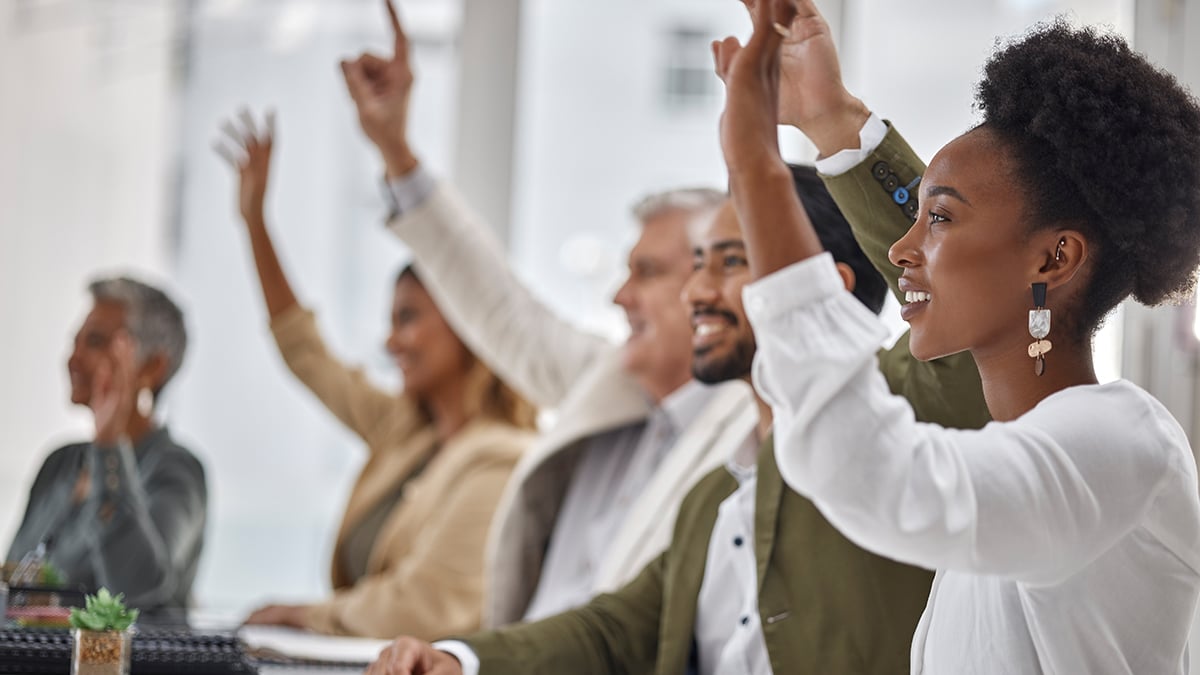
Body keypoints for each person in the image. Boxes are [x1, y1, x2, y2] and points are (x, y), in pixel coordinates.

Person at [717, 0, 1200, 672]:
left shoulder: (1122, 445)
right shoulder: (1015, 454)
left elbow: (872, 472)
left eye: (939, 217)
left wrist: (759, 174)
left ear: (1054, 260)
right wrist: (830, 118)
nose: (901, 250)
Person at [361, 164, 991, 675]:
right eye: (695, 265)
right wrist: (456, 659)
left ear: (825, 286)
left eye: (729, 262)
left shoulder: (905, 429)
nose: (696, 292)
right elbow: (614, 629)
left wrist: (840, 127)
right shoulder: (714, 497)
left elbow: (953, 290)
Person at [340, 0, 754, 627]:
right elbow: (500, 309)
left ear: (717, 281)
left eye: (647, 272)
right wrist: (397, 151)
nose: (621, 297)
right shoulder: (610, 381)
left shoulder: (750, 430)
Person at [214, 111, 537, 639]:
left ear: (467, 327)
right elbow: (306, 353)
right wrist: (255, 222)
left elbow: (419, 607)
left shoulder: (503, 459)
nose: (391, 342)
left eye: (408, 319)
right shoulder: (404, 430)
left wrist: (304, 615)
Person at [7, 277, 205, 620]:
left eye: (95, 342)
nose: (73, 358)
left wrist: (109, 447)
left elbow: (140, 591)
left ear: (152, 366)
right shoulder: (61, 463)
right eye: (75, 342)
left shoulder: (175, 469)